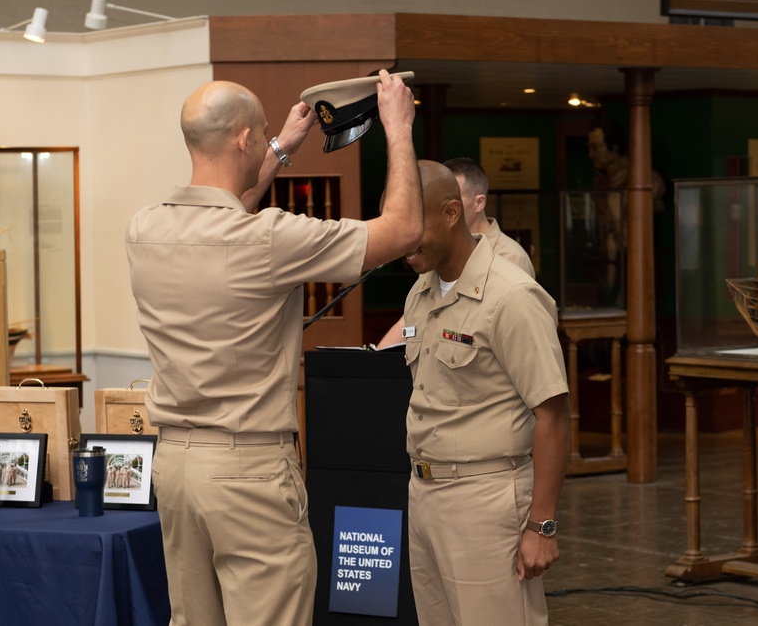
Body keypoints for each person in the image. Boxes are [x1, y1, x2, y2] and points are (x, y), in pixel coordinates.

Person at [125, 70, 422, 626]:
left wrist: (282, 145)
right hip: (247, 472)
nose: (265, 143)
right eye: (260, 136)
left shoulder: (145, 229)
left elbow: (224, 208)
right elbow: (403, 229)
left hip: (175, 468)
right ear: (243, 141)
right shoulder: (268, 239)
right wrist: (397, 128)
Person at [401, 160, 570, 625]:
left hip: (486, 499)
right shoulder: (420, 291)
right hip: (424, 495)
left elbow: (553, 415)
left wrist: (541, 525)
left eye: (411, 224)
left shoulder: (512, 295)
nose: (401, 240)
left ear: (452, 213)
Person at [376, 156, 532, 348]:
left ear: (478, 203)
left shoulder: (510, 260)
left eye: (454, 196)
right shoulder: (435, 256)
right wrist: (373, 361)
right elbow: (410, 323)